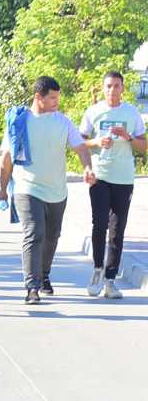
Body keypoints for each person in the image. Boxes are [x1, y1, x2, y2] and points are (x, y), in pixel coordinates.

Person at [0, 76, 96, 305]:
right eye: (52, 98)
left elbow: (81, 148)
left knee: (52, 236)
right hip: (27, 187)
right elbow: (7, 157)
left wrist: (87, 167)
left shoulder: (63, 122)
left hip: (57, 190)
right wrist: (3, 189)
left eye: (57, 98)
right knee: (34, 233)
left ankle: (44, 274)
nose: (56, 102)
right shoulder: (20, 121)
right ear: (38, 97)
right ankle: (32, 287)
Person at [80, 71, 147, 299]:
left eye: (117, 86)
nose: (112, 90)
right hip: (100, 176)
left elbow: (143, 146)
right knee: (99, 224)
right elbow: (80, 142)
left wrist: (128, 137)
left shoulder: (131, 112)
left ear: (123, 88)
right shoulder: (93, 111)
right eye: (108, 86)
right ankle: (97, 270)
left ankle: (110, 280)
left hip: (124, 178)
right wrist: (97, 141)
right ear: (103, 88)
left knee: (118, 230)